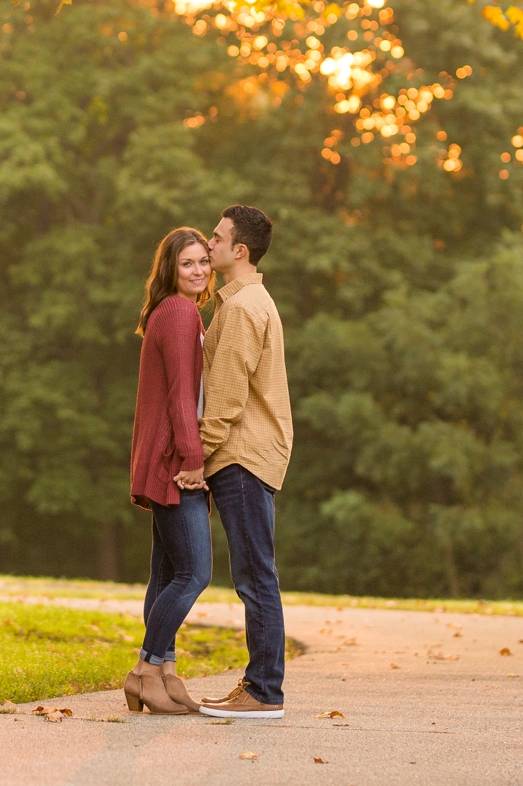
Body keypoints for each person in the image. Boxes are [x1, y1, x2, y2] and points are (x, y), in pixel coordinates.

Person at [194, 204, 293, 720]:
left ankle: (264, 691)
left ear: (240, 251)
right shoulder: (242, 302)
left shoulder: (242, 309)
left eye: (216, 238)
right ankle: (261, 686)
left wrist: (197, 460)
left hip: (242, 456)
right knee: (255, 574)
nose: (208, 245)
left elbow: (227, 401)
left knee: (256, 577)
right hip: (244, 455)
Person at [124, 227, 213, 716]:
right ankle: (144, 670)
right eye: (188, 264)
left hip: (162, 455)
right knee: (195, 573)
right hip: (175, 464)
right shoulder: (179, 312)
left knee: (166, 574)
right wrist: (193, 460)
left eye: (204, 262)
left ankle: (166, 672)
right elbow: (183, 395)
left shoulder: (174, 311)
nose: (199, 271)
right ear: (170, 270)